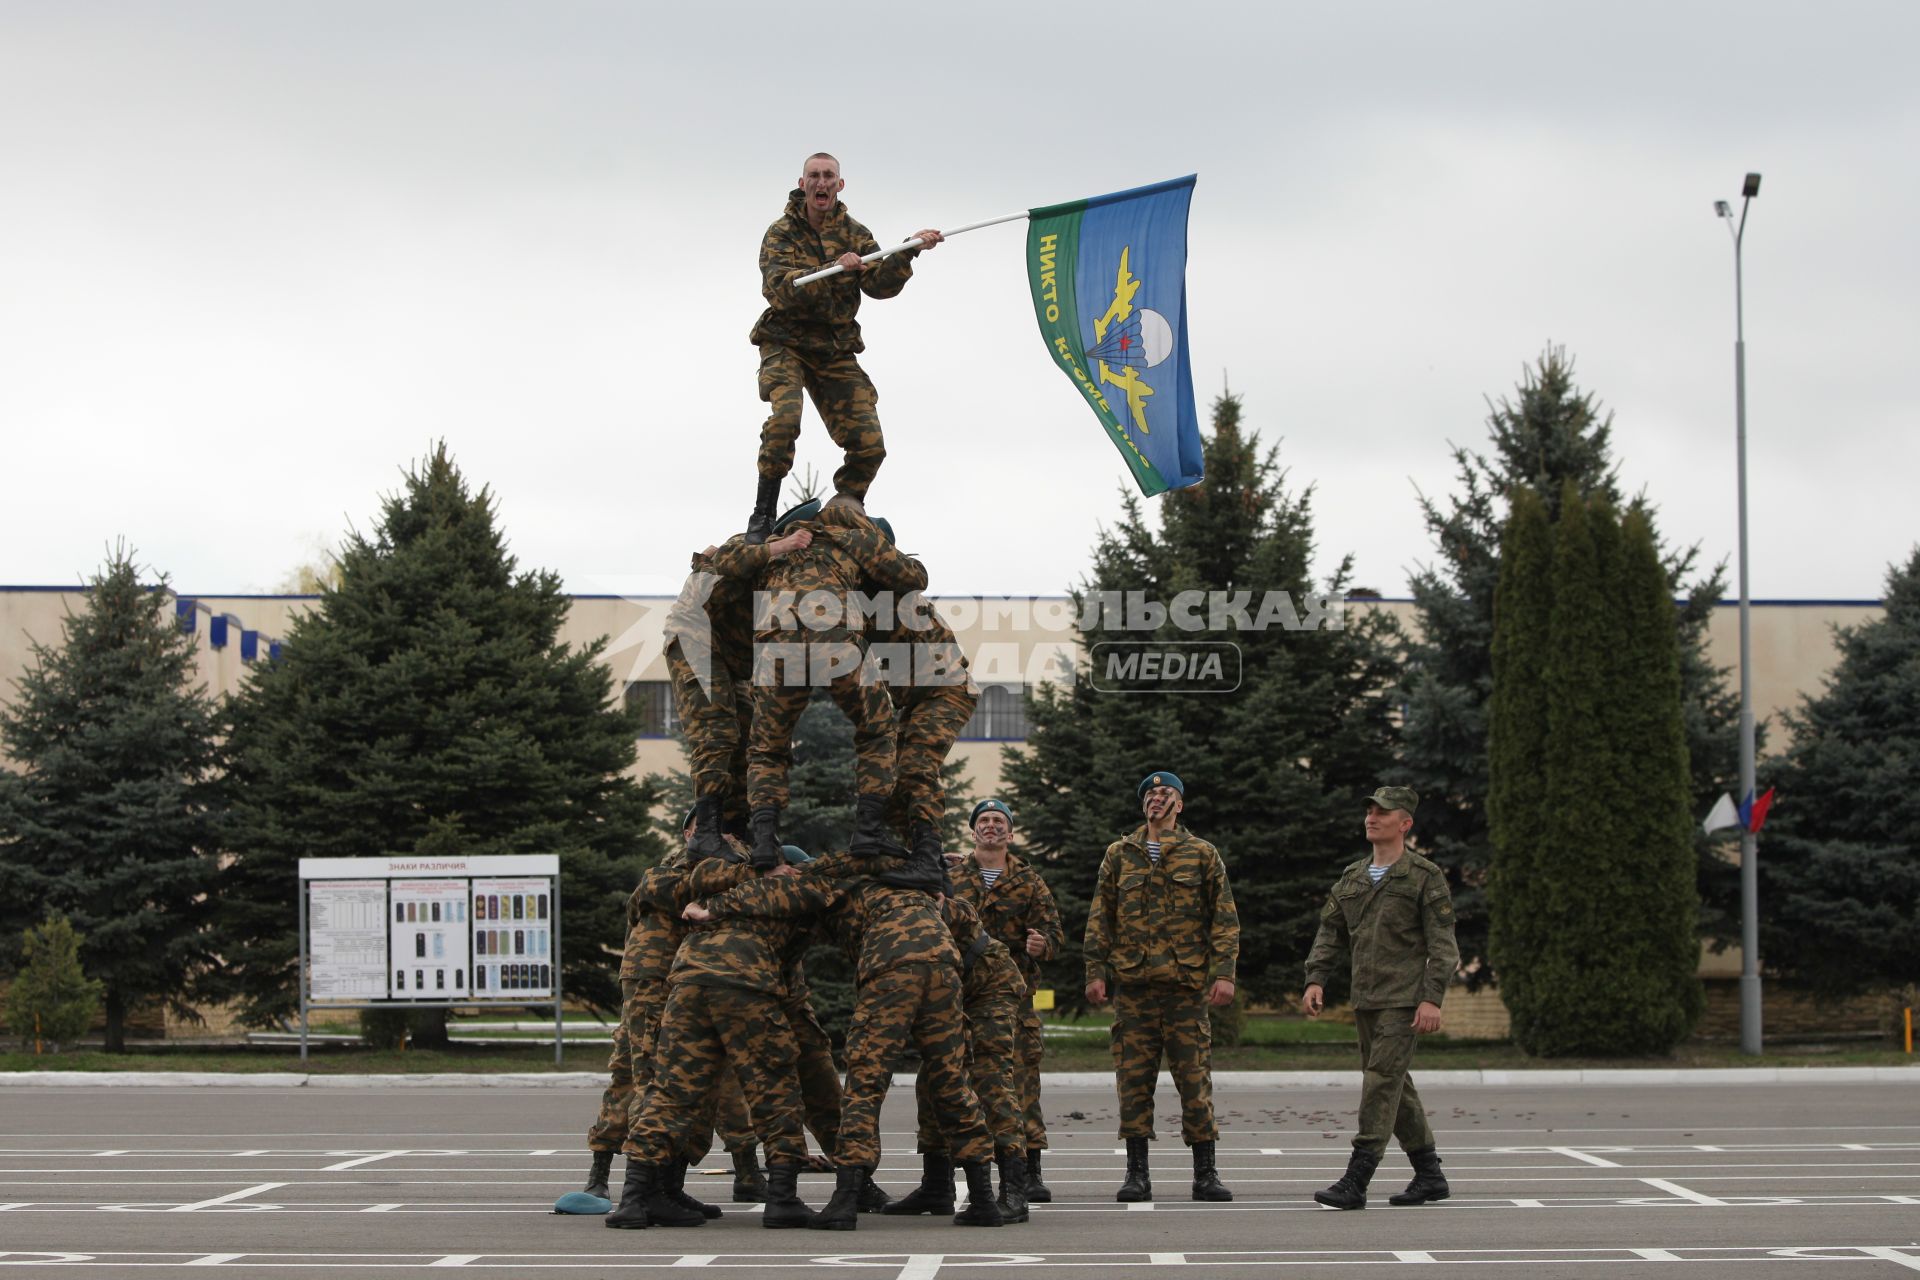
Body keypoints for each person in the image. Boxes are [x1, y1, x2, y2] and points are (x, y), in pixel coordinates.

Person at [607, 846, 818, 1231]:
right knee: (775, 1089)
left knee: (670, 1090)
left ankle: (634, 1198)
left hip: (688, 982)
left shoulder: (713, 889)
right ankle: (783, 1198)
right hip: (744, 984)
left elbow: (656, 890)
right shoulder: (794, 889)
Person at [743, 152, 943, 542]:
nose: (822, 183)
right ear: (803, 185)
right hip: (787, 344)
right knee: (784, 421)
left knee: (870, 443)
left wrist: (909, 250)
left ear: (840, 185)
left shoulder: (856, 233)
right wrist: (832, 267)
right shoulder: (781, 233)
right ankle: (763, 514)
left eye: (829, 176)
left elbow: (880, 286)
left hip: (834, 349)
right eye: (814, 177)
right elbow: (780, 289)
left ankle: (846, 505)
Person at [1301, 785, 1459, 1211]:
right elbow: (1330, 932)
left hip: (1403, 1001)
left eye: (1383, 812)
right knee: (1395, 1086)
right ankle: (1430, 1175)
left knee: (1379, 1085)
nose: (1372, 817)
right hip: (1365, 1000)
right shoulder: (1353, 877)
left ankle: (1357, 1178)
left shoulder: (1424, 876)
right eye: (1369, 810)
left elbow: (1443, 946)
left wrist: (1431, 999)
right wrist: (1315, 979)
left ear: (1405, 823)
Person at [1083, 771, 1238, 1204]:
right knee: (1133, 1083)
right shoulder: (1120, 855)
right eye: (1150, 793)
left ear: (1180, 804)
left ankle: (1205, 1173)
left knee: (1194, 1082)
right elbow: (1101, 917)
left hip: (1185, 990)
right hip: (1133, 990)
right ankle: (1137, 1173)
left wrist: (1224, 973)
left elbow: (1223, 919)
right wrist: (1095, 972)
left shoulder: (1202, 854)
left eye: (1165, 792)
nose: (1156, 798)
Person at [746, 497, 925, 865]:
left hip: (777, 646)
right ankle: (869, 832)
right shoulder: (854, 536)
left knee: (767, 747)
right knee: (876, 731)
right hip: (833, 638)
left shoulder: (777, 546)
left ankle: (763, 841)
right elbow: (914, 578)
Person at [665, 528, 813, 857]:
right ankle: (706, 833)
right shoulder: (757, 550)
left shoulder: (805, 587)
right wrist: (779, 547)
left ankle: (734, 829)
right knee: (717, 731)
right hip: (695, 638)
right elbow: (726, 556)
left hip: (732, 659)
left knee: (749, 738)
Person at [950, 797, 1065, 1202]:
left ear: (1011, 833)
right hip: (960, 998)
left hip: (1015, 999)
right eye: (984, 820)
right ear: (973, 830)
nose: (992, 826)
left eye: (999, 821)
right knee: (956, 1083)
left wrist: (1042, 945)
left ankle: (1029, 1171)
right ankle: (947, 1175)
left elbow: (1055, 934)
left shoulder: (1030, 882)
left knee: (1020, 1085)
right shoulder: (953, 876)